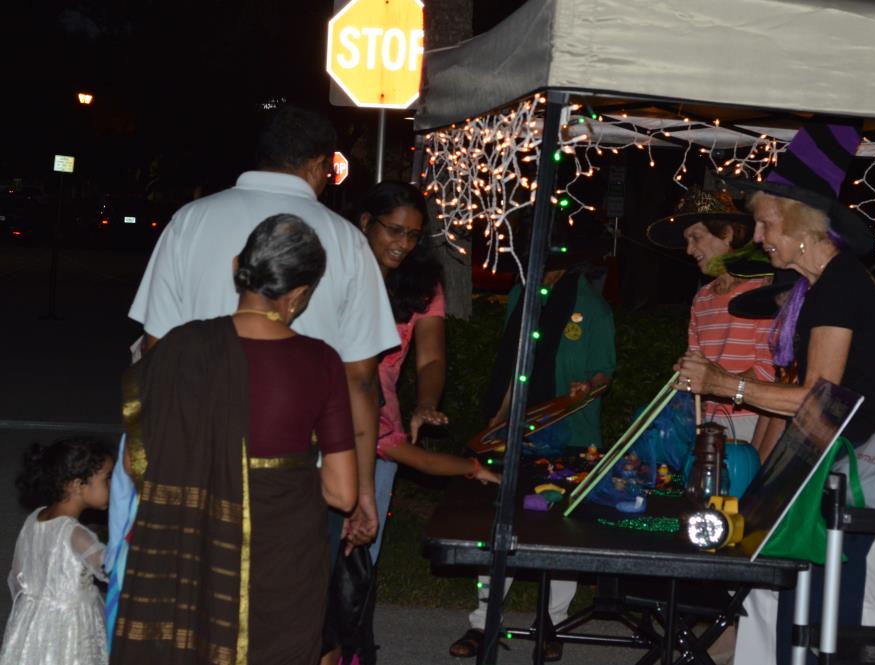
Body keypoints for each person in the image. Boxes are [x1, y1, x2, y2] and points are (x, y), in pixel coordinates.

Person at [120, 104, 397, 619]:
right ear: (318, 165)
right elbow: (361, 380)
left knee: (195, 617)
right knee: (289, 616)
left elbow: (155, 356)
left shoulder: (190, 221)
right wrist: (363, 489)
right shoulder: (346, 241)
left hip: (195, 470)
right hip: (302, 482)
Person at [674, 121, 875, 665]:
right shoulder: (825, 288)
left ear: (799, 225)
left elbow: (821, 399)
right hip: (835, 472)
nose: (760, 237)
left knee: (837, 614)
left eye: (765, 224)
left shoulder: (840, 287)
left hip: (853, 475)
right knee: (789, 600)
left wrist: (726, 384)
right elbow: (800, 394)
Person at [112, 215, 358, 663]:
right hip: (284, 553)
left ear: (236, 268)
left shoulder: (179, 347)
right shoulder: (319, 362)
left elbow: (135, 464)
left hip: (195, 547)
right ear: (300, 294)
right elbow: (343, 493)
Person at [450, 232, 617, 662]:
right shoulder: (521, 296)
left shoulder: (593, 307)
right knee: (501, 527)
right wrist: (499, 418)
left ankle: (552, 625)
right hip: (519, 435)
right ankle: (484, 621)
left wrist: (589, 387)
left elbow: (604, 374)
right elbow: (513, 362)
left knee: (562, 535)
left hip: (574, 436)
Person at [357, 181, 500, 564]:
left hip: (380, 418)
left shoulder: (421, 282)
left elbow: (431, 359)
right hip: (331, 421)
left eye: (413, 235)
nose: (403, 244)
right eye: (394, 230)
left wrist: (425, 403)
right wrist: (474, 469)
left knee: (364, 550)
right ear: (367, 221)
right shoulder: (342, 269)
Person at [647, 187, 782, 459]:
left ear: (727, 234)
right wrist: (687, 372)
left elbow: (769, 373)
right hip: (705, 421)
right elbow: (696, 361)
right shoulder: (702, 299)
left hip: (751, 420)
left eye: (696, 238)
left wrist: (714, 381)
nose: (689, 249)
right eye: (687, 241)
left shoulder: (762, 291)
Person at [1, 437, 113, 665]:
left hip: (32, 626)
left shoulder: (33, 519)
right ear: (76, 485)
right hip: (70, 632)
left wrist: (33, 615)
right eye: (108, 479)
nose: (113, 487)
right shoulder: (74, 533)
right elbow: (109, 567)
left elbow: (18, 574)